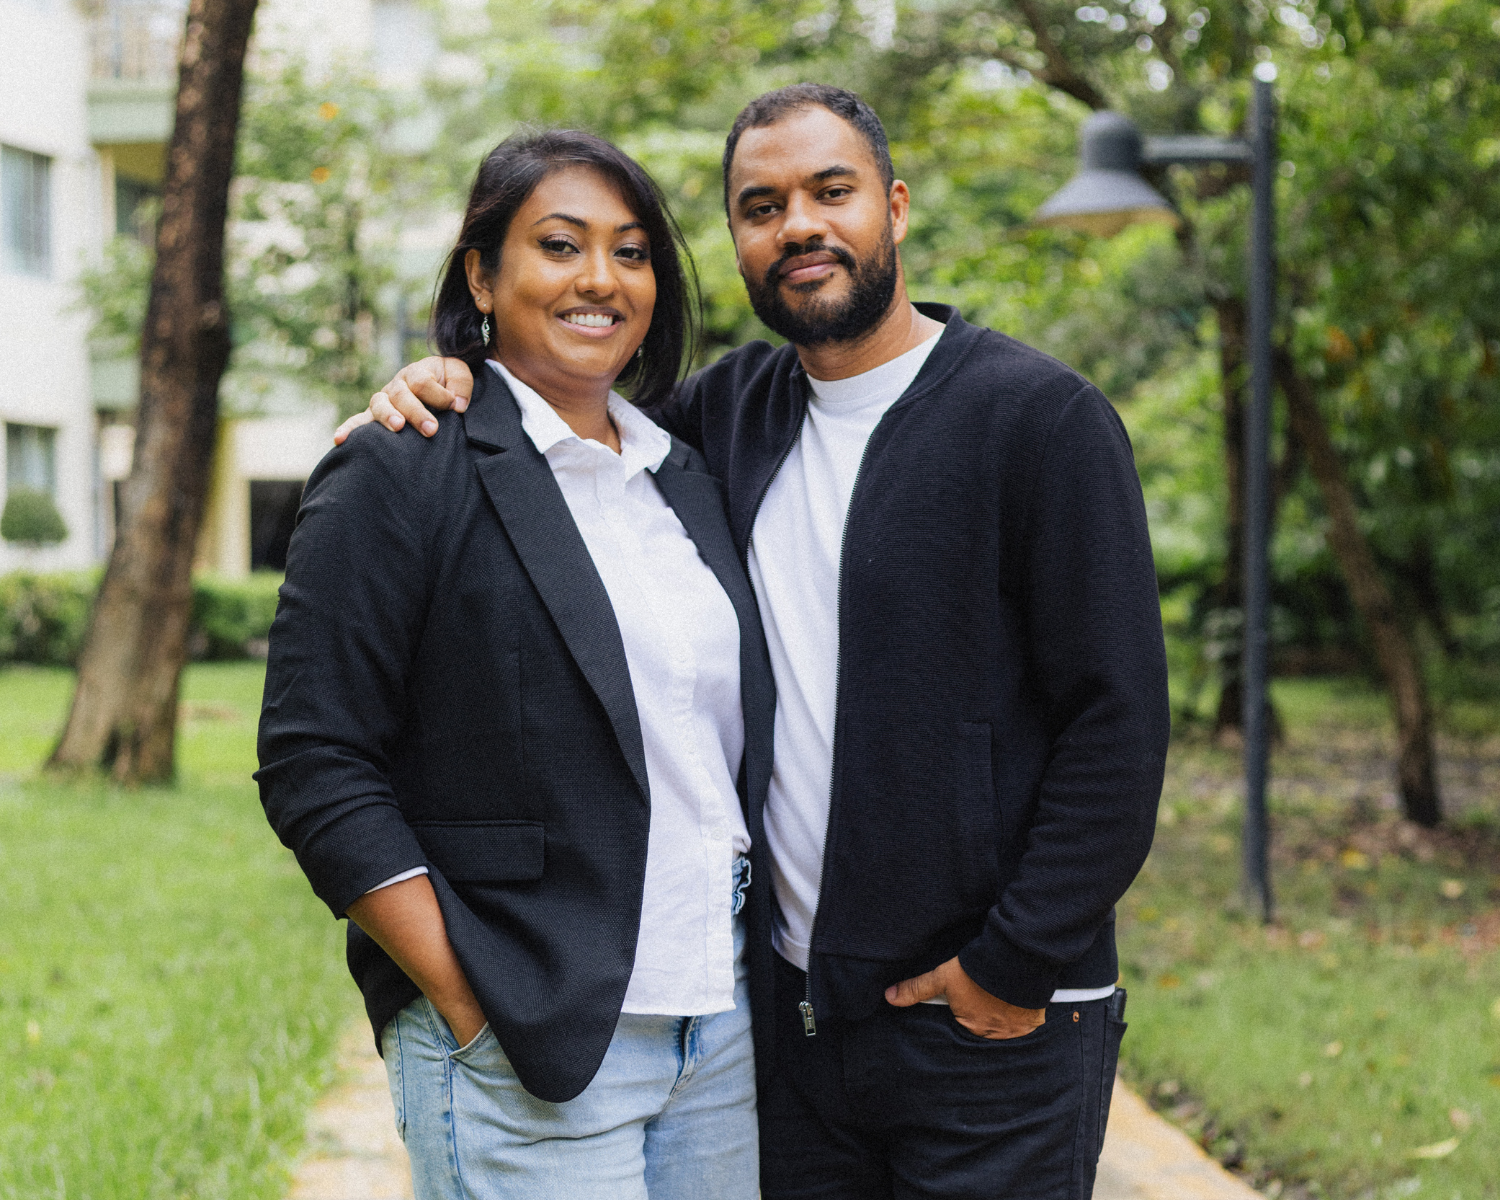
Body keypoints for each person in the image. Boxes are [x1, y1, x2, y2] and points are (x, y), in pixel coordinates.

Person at [345, 85, 1171, 1200]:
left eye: (832, 193)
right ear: (735, 239)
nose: (799, 228)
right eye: (761, 205)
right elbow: (556, 422)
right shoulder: (721, 418)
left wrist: (1012, 965)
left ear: (896, 206)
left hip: (994, 1023)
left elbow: (1117, 726)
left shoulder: (1040, 421)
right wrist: (450, 377)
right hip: (794, 1025)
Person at [256, 128, 776, 1200]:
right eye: (560, 245)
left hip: (718, 1030)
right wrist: (466, 995)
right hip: (526, 1036)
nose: (601, 279)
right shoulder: (399, 469)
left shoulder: (680, 473)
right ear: (482, 275)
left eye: (632, 253)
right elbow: (316, 761)